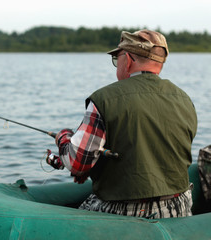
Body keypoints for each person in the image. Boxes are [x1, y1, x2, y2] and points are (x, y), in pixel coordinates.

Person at [47, 29, 197, 219]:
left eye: (117, 59)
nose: (117, 64)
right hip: (179, 207)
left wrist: (63, 138)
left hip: (125, 210)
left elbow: (76, 163)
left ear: (128, 59)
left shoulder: (104, 99)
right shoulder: (185, 100)